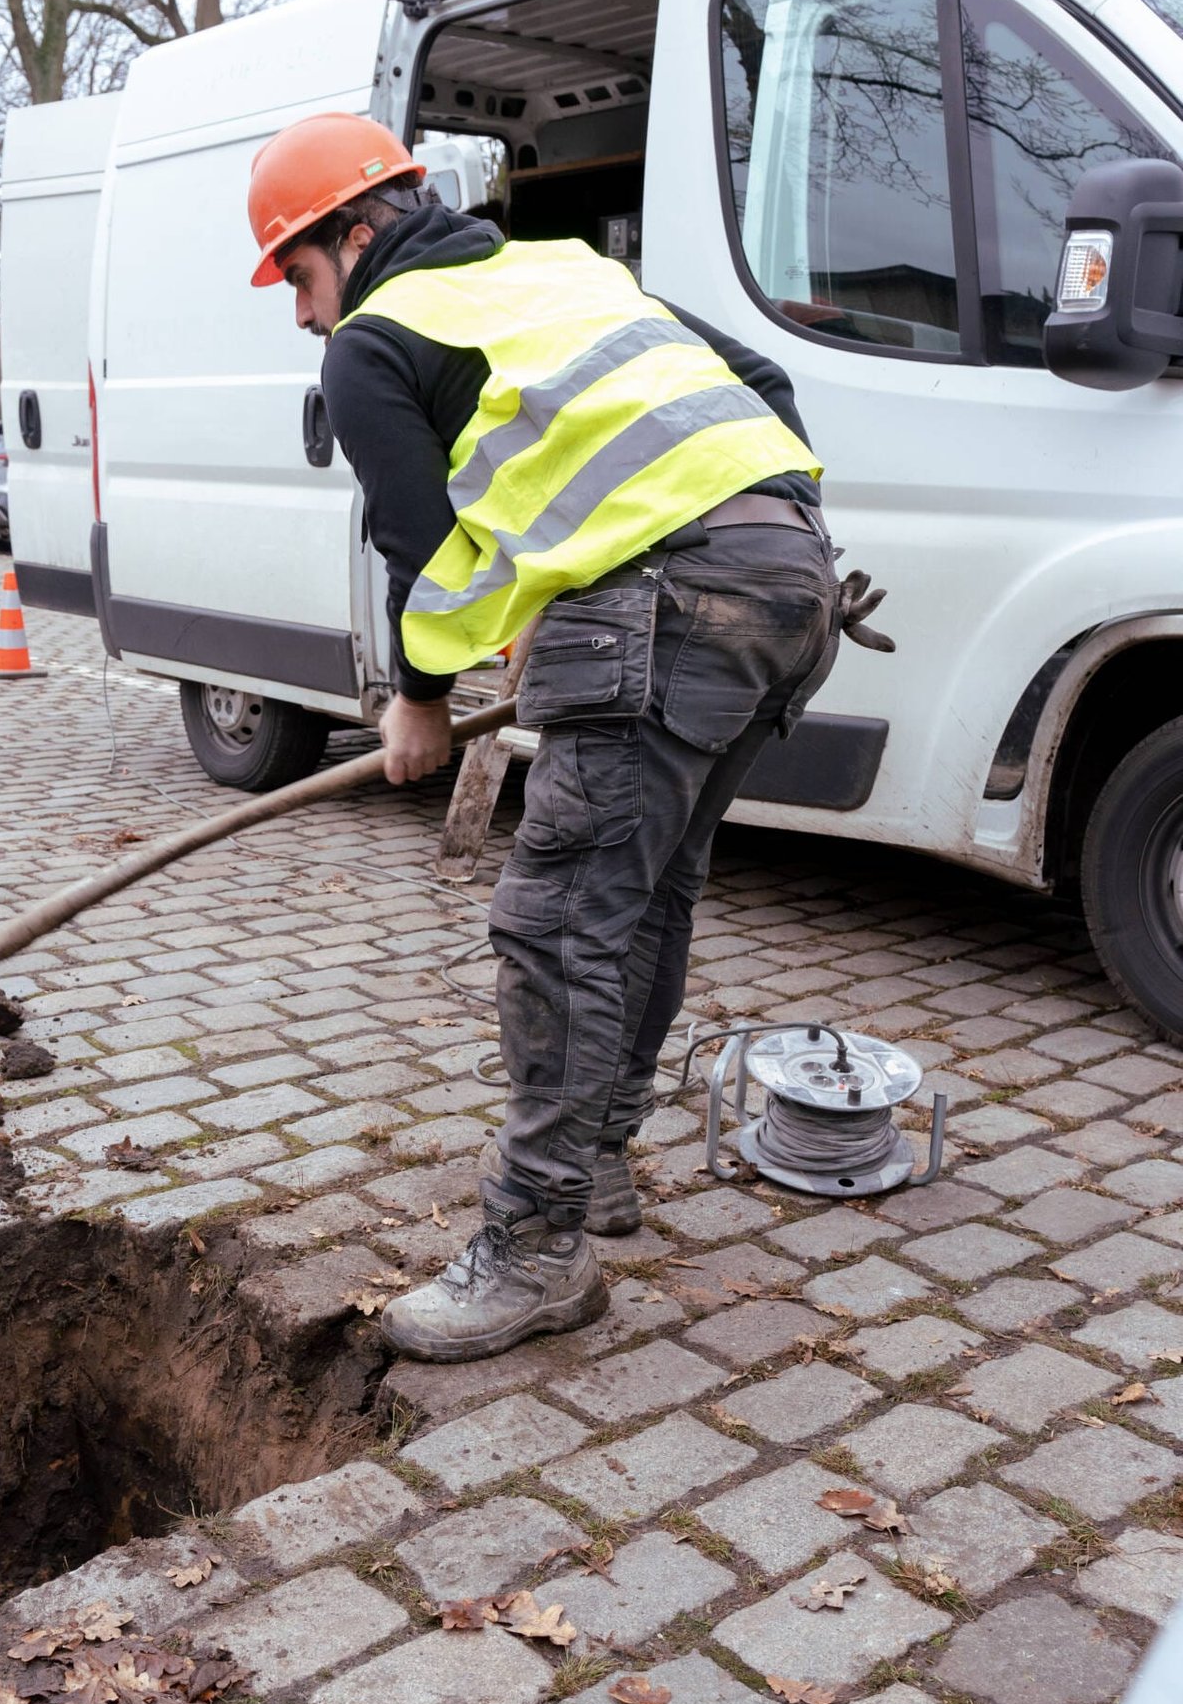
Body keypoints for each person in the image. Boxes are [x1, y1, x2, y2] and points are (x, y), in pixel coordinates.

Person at [248, 111, 888, 1363]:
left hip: (667, 606)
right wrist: (755, 546)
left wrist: (420, 696)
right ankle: (594, 1169)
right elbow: (766, 392)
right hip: (791, 584)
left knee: (553, 923)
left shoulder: (375, 344)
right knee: (645, 900)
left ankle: (536, 1247)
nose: (301, 314)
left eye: (300, 277)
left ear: (358, 235)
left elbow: (419, 543)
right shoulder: (566, 269)